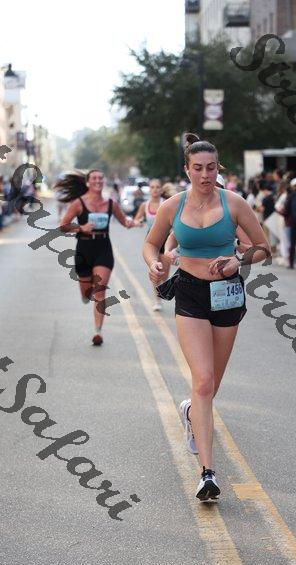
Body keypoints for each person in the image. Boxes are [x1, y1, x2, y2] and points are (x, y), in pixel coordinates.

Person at [143, 133, 270, 501]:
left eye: (211, 168)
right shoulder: (172, 206)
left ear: (218, 169)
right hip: (190, 293)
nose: (204, 175)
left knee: (211, 385)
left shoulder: (235, 204)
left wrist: (238, 260)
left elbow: (264, 248)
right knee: (202, 381)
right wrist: (154, 263)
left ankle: (190, 413)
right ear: (187, 170)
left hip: (227, 294)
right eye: (197, 168)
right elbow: (152, 243)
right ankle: (208, 474)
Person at [57, 169, 135, 345]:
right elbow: (63, 226)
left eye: (100, 178)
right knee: (86, 295)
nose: (98, 181)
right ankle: (86, 295)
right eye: (94, 178)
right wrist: (81, 228)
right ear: (88, 182)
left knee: (100, 292)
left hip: (103, 248)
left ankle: (98, 332)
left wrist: (133, 222)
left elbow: (124, 222)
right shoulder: (78, 203)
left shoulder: (111, 204)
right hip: (84, 250)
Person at [134, 179, 171, 310]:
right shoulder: (145, 205)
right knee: (155, 270)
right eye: (152, 187)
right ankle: (157, 301)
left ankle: (161, 291)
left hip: (166, 239)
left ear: (161, 189)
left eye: (157, 187)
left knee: (164, 275)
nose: (155, 189)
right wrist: (138, 222)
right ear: (149, 190)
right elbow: (137, 218)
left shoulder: (166, 204)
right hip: (152, 241)